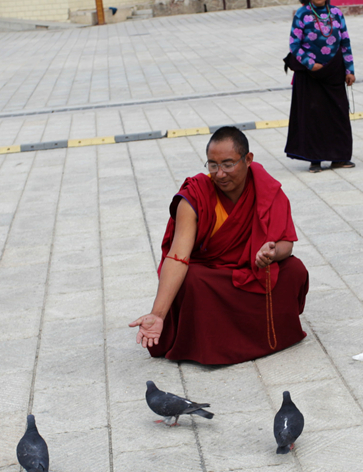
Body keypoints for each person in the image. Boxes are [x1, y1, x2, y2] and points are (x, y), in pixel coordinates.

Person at [130, 126, 310, 365]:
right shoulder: (196, 196)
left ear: (248, 159)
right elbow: (177, 257)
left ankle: (269, 336)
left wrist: (273, 252)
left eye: (228, 164)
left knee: (294, 270)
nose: (220, 173)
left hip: (250, 269)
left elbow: (287, 243)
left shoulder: (266, 189)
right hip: (213, 274)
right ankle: (212, 346)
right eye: (213, 165)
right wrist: (158, 313)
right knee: (192, 278)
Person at [285, 0, 356, 172]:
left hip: (334, 72)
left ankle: (339, 157)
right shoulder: (302, 14)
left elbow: (345, 43)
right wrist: (309, 63)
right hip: (310, 75)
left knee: (337, 114)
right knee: (314, 117)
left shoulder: (336, 13)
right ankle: (315, 160)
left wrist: (349, 69)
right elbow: (294, 44)